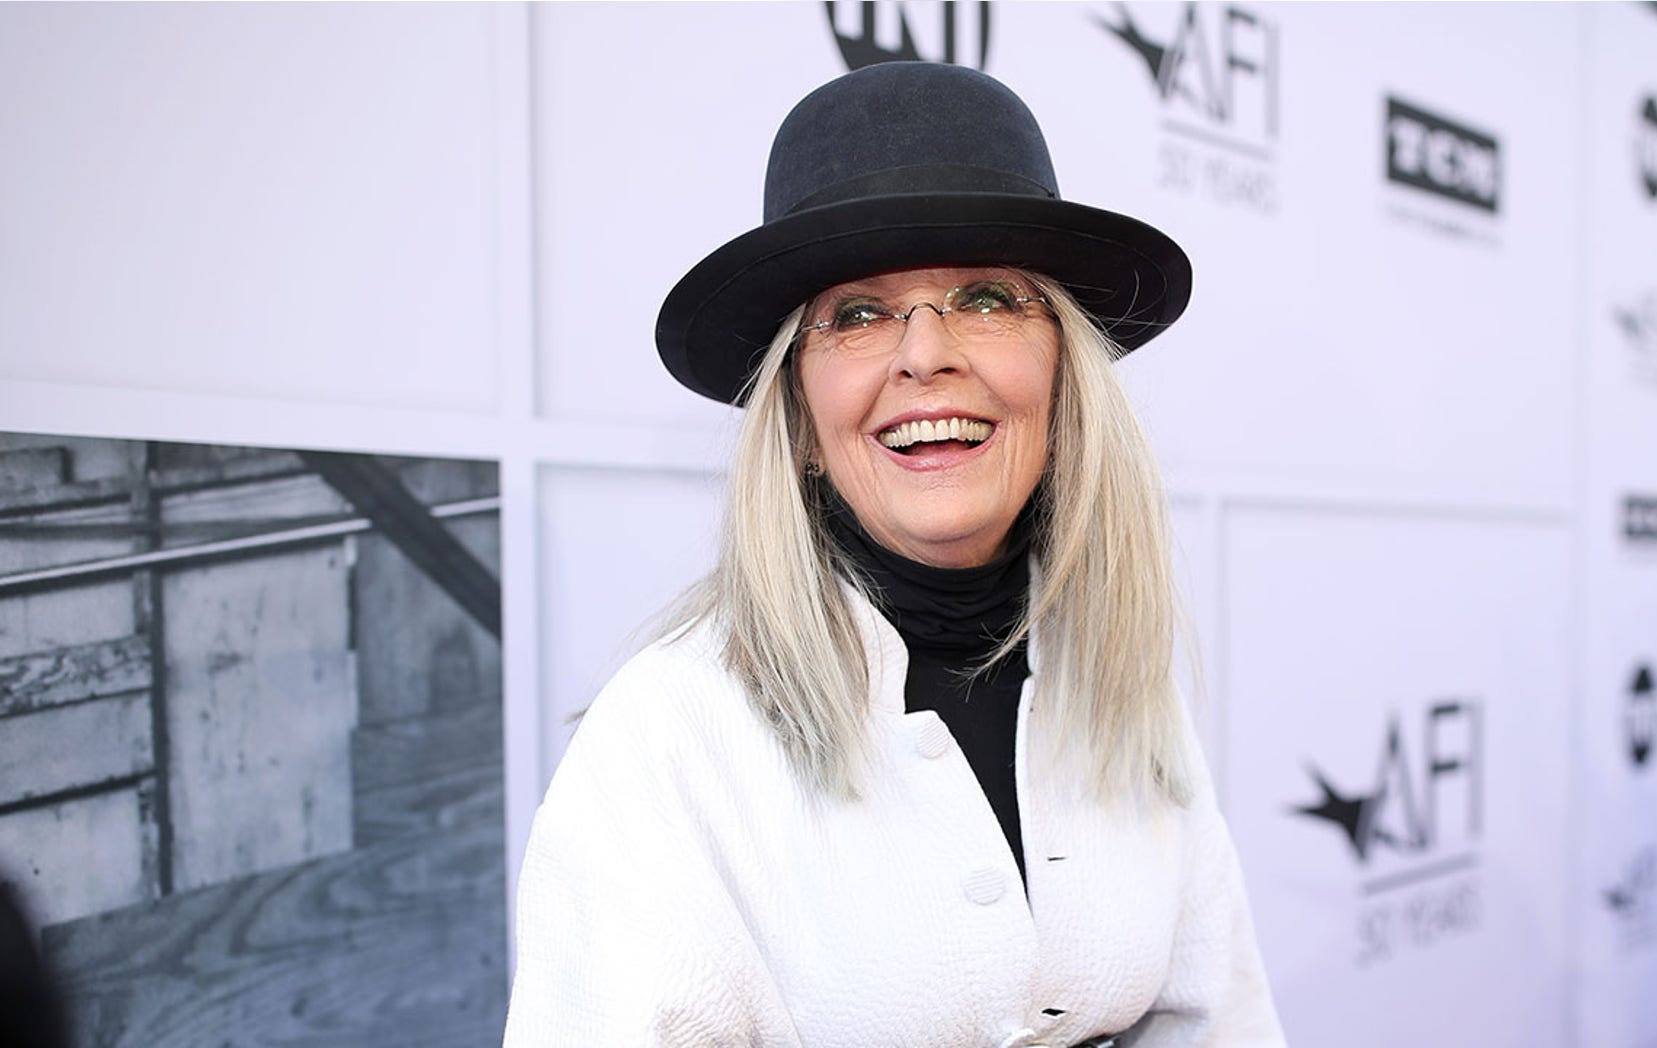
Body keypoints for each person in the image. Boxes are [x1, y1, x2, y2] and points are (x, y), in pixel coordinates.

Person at [504, 61, 1284, 1048]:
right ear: (793, 416)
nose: (923, 353)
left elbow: (1217, 1025)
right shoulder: (669, 736)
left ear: (1063, 378)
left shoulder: (1120, 673)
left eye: (987, 298)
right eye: (859, 314)